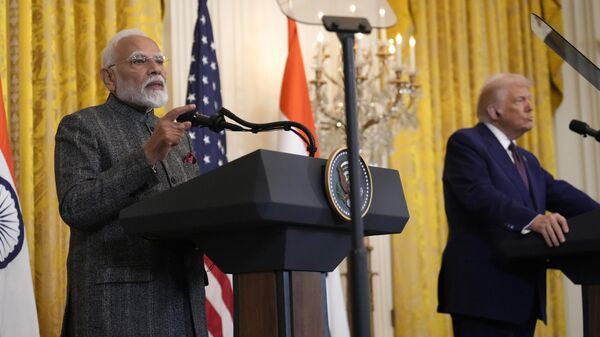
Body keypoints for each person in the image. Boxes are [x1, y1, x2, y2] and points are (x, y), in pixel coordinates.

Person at [54, 29, 207, 337]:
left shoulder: (177, 133)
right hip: (122, 306)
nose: (155, 68)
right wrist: (147, 156)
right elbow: (76, 207)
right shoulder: (83, 126)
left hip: (184, 295)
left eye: (159, 60)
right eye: (139, 60)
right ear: (109, 78)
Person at [437, 73, 600, 337]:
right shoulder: (467, 143)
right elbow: (479, 194)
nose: (530, 107)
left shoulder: (526, 159)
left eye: (530, 100)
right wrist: (534, 220)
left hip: (522, 294)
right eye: (521, 100)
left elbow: (560, 192)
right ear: (495, 110)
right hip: (483, 291)